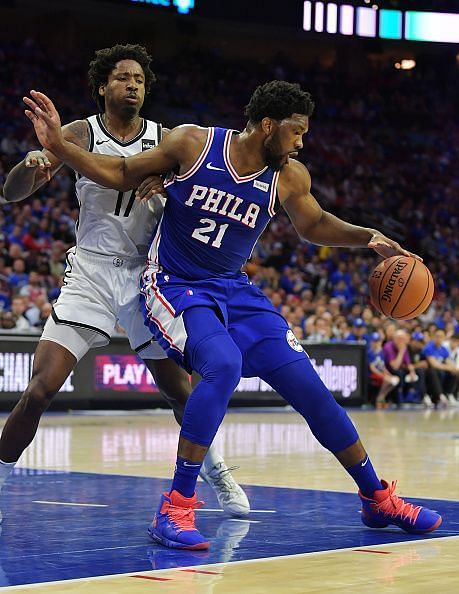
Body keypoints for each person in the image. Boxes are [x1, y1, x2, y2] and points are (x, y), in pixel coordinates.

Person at [24, 80, 442, 550]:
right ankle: (176, 506)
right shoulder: (194, 142)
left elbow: (314, 224)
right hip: (174, 284)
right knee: (221, 365)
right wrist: (59, 144)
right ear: (268, 125)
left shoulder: (289, 175)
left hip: (233, 289)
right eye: (297, 131)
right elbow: (121, 171)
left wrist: (368, 236)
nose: (302, 141)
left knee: (311, 389)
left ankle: (376, 498)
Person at [0, 44, 249, 518]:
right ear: (102, 86)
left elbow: (199, 198)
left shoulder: (167, 139)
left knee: (182, 393)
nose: (132, 84)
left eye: (138, 79)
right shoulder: (80, 133)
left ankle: (216, 472)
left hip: (146, 276)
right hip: (91, 270)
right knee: (40, 388)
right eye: (122, 77)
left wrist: (173, 186)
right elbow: (11, 194)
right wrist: (32, 163)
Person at [422, 328, 459, 408]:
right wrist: (448, 367)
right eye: (437, 336)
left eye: (441, 336)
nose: (439, 338)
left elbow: (449, 362)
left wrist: (453, 368)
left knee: (453, 371)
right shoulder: (429, 347)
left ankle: (449, 394)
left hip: (439, 371)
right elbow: (434, 364)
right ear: (433, 337)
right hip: (427, 372)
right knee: (433, 371)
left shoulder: (443, 349)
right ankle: (440, 396)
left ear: (444, 338)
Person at [367, 332, 400, 409]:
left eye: (378, 341)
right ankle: (379, 398)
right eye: (374, 341)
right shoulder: (370, 353)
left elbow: (383, 366)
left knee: (395, 379)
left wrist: (388, 374)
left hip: (380, 373)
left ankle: (382, 396)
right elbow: (372, 368)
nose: (376, 343)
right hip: (372, 374)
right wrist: (382, 375)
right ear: (371, 342)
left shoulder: (381, 352)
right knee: (387, 380)